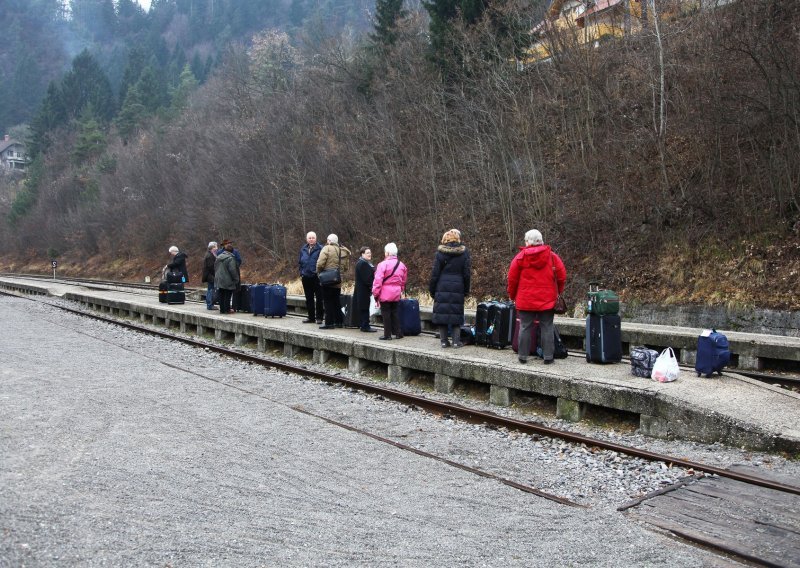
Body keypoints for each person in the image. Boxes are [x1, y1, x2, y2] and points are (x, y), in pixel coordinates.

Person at [507, 229, 567, 365]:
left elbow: (512, 279)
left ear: (528, 242)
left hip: (525, 299)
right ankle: (548, 357)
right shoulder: (552, 257)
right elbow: (562, 276)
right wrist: (557, 292)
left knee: (525, 326)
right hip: (547, 299)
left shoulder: (520, 257)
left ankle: (523, 356)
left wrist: (512, 295)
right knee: (547, 326)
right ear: (541, 241)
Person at [429, 229, 471, 348]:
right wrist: (466, 290)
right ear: (457, 239)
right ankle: (456, 342)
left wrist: (432, 290)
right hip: (458, 286)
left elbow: (435, 274)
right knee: (456, 315)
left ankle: (443, 341)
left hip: (442, 285)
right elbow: (467, 273)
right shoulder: (464, 253)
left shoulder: (440, 253)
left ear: (445, 240)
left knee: (442, 314)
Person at [371, 242, 408, 340]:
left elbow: (377, 281)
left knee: (386, 313)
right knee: (395, 312)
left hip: (385, 293)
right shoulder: (402, 265)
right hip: (396, 292)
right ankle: (398, 332)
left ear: (387, 253)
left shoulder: (382, 265)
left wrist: (375, 293)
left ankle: (387, 335)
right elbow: (403, 281)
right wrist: (401, 290)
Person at [316, 234, 351, 329]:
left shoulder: (327, 248)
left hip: (327, 279)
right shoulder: (344, 251)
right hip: (338, 280)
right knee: (336, 301)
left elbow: (320, 263)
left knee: (327, 301)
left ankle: (329, 323)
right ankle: (339, 322)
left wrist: (319, 273)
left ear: (329, 241)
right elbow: (346, 268)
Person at [298, 231, 324, 324]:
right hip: (306, 277)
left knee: (319, 298)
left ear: (316, 238)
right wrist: (301, 273)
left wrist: (319, 273)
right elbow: (300, 263)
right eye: (309, 238)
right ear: (307, 239)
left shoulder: (321, 249)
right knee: (309, 298)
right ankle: (311, 317)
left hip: (317, 277)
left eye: (313, 237)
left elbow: (323, 263)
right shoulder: (303, 249)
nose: (311, 239)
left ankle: (319, 318)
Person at [353, 246, 377, 332]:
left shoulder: (363, 262)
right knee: (364, 307)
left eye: (370, 253)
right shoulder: (363, 264)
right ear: (362, 254)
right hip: (363, 290)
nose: (369, 254)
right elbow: (367, 279)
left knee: (364, 307)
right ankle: (365, 326)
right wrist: (374, 285)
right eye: (367, 253)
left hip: (362, 289)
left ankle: (364, 325)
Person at [214, 242, 240, 314]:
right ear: (232, 251)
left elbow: (215, 267)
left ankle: (222, 309)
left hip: (219, 279)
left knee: (221, 294)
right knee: (228, 295)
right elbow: (232, 270)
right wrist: (236, 279)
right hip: (227, 279)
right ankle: (227, 309)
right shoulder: (230, 258)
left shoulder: (218, 257)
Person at [202, 241, 218, 310]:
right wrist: (215, 274)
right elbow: (211, 267)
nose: (217, 248)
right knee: (211, 290)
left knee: (210, 290)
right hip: (210, 276)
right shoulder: (209, 256)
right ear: (212, 247)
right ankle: (210, 305)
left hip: (210, 275)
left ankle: (210, 304)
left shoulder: (211, 254)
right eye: (216, 246)